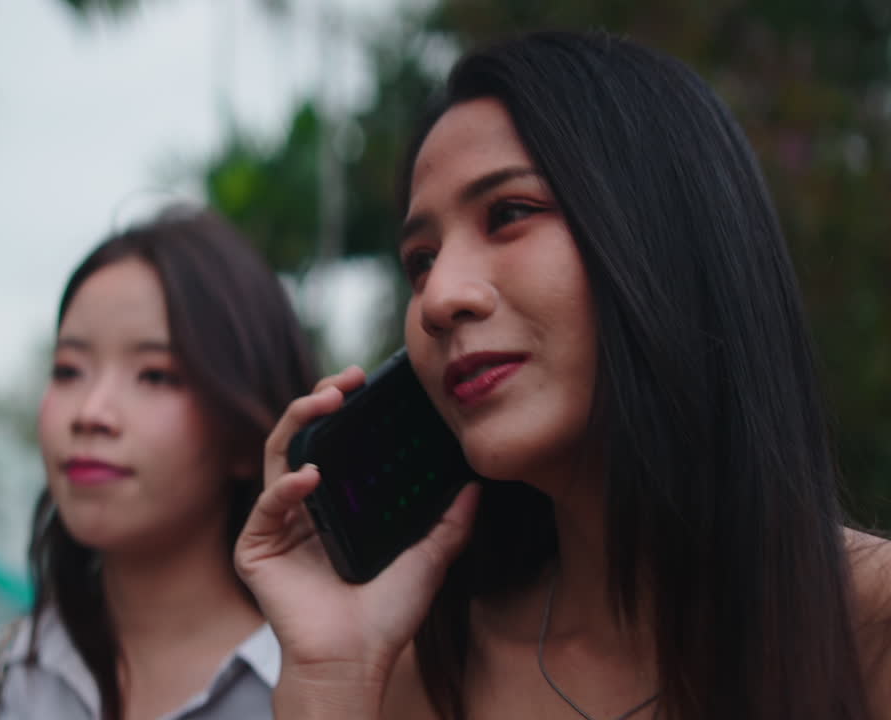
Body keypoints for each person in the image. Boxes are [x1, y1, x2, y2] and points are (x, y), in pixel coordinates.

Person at [236, 30, 891, 720]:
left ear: (661, 234)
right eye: (420, 260)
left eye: (510, 214)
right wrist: (331, 678)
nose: (437, 298)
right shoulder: (425, 673)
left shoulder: (872, 629)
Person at [0, 206, 317, 720]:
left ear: (243, 437)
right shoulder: (5, 674)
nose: (91, 413)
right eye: (68, 369)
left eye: (155, 375)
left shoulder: (318, 681)